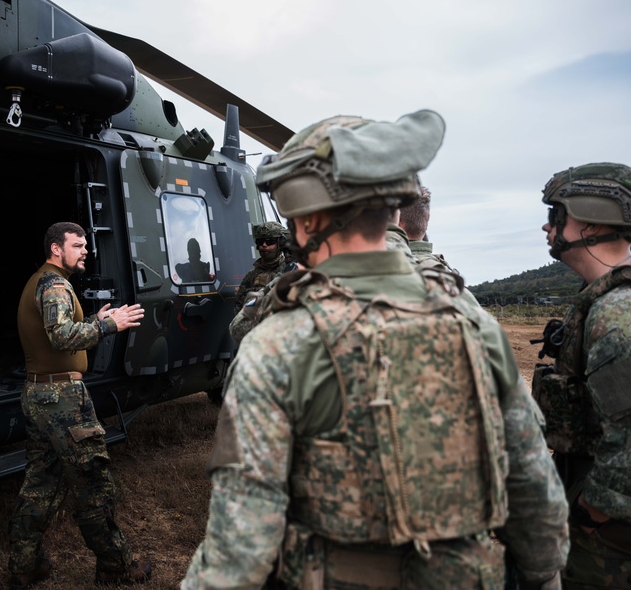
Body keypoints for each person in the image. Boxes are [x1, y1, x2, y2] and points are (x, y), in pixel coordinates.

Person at [182, 110, 569, 589]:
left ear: (309, 218)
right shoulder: (474, 325)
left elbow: (238, 553)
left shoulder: (278, 345)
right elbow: (536, 496)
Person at [8, 221, 152, 588]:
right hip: (63, 402)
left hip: (39, 394)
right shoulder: (55, 284)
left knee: (40, 483)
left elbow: (57, 332)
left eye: (86, 244)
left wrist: (93, 320)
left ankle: (25, 565)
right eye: (77, 244)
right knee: (94, 483)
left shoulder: (40, 280)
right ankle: (116, 567)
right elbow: (60, 337)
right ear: (56, 248)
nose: (85, 250)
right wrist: (109, 326)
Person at [533, 163, 631, 589]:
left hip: (612, 542)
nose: (546, 226)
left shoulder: (617, 313)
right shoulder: (606, 302)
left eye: (557, 214)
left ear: (591, 222)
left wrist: (591, 519)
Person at [234, 221, 295, 315]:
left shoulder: (289, 270)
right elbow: (239, 309)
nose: (264, 245)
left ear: (279, 244)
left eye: (269, 241)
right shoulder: (251, 276)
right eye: (260, 242)